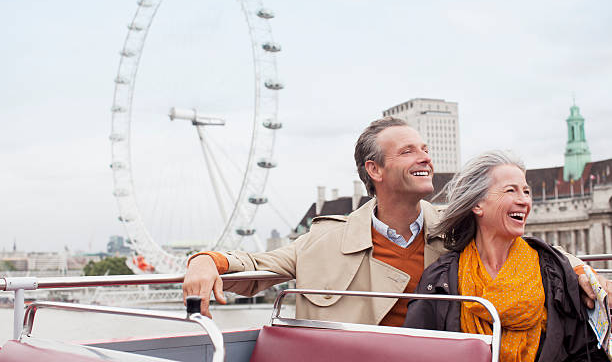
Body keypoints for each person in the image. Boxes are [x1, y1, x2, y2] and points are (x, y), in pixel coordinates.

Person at [183, 118, 607, 326]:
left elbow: (526, 250)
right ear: (376, 170)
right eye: (408, 151)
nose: (425, 157)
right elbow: (258, 268)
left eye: (424, 148)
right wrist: (206, 261)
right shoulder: (324, 239)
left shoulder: (455, 225)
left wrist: (583, 271)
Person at [403, 151, 606, 361]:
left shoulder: (554, 271)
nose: (523, 200)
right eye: (511, 190)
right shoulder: (440, 279)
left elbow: (586, 351)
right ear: (477, 205)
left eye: (526, 192)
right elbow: (416, 351)